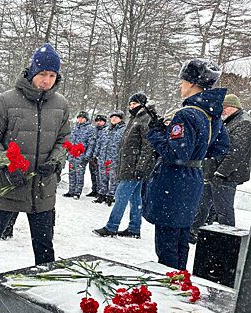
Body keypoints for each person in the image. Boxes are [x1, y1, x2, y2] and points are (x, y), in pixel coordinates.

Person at [0, 43, 70, 276]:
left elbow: (64, 139)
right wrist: (7, 165)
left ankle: (46, 282)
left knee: (44, 245)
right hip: (9, 184)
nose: (46, 80)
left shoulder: (61, 104)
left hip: (42, 188)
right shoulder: (7, 100)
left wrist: (55, 161)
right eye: (42, 74)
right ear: (31, 72)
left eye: (52, 75)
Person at [144, 58, 230, 269]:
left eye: (183, 81)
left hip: (174, 182)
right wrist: (196, 151)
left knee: (167, 245)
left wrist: (156, 133)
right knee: (181, 239)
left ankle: (169, 286)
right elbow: (221, 147)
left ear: (192, 82)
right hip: (192, 180)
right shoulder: (212, 114)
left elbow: (174, 155)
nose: (180, 85)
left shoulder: (186, 113)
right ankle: (180, 281)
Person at [190, 93, 251, 243]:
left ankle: (227, 241)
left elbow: (236, 153)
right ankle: (193, 233)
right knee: (202, 206)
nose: (222, 110)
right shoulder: (229, 121)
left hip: (226, 176)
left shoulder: (243, 122)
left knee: (223, 211)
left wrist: (221, 172)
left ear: (234, 107)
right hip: (212, 172)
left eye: (224, 107)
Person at [93, 93, 156, 238]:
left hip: (134, 167)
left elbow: (148, 146)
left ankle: (111, 227)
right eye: (130, 104)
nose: (131, 106)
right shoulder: (136, 118)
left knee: (120, 196)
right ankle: (134, 228)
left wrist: (141, 167)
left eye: (134, 103)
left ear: (142, 104)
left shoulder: (145, 119)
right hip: (129, 164)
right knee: (135, 198)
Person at [93, 111, 125, 205]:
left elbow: (124, 146)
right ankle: (102, 194)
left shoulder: (123, 130)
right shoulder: (106, 130)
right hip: (103, 158)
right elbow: (99, 143)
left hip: (114, 159)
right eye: (112, 117)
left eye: (116, 117)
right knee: (102, 177)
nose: (114, 119)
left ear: (121, 118)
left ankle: (111, 196)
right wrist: (95, 155)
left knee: (113, 178)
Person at [64, 111, 97, 198]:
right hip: (72, 155)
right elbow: (70, 141)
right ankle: (71, 191)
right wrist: (68, 152)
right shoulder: (74, 127)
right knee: (71, 173)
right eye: (79, 117)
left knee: (79, 174)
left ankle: (77, 192)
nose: (80, 119)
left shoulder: (90, 129)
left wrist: (87, 155)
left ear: (86, 119)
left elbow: (91, 143)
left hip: (81, 155)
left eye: (82, 118)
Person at [87, 114, 108, 197]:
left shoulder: (106, 130)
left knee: (101, 175)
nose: (98, 123)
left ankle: (101, 192)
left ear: (104, 122)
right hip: (92, 156)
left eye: (100, 121)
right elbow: (90, 143)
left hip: (101, 156)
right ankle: (94, 190)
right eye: (97, 121)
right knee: (93, 174)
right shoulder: (93, 130)